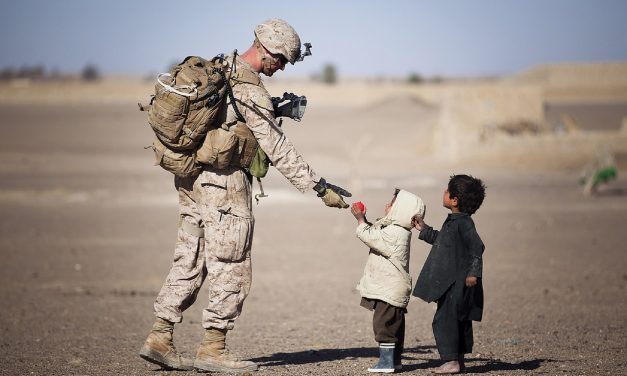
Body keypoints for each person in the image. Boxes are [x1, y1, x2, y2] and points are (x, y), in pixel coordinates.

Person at [139, 19, 351, 373]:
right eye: (281, 59)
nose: (281, 67)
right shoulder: (250, 89)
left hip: (192, 180)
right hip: (224, 186)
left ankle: (159, 337)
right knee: (231, 264)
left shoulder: (222, 67)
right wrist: (319, 186)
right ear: (265, 48)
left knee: (189, 256)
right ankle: (213, 349)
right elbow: (277, 147)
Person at [412, 174, 486, 374]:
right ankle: (458, 361)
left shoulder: (464, 224)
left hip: (457, 283)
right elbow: (443, 241)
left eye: (447, 191)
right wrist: (424, 229)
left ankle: (451, 361)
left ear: (454, 200)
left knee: (445, 320)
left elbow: (477, 247)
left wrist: (473, 273)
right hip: (451, 282)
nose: (443, 193)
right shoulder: (454, 221)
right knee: (457, 319)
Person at [350, 189, 426, 373]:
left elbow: (370, 236)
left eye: (392, 204)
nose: (387, 206)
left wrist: (360, 220)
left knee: (384, 325)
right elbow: (376, 232)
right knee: (394, 326)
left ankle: (386, 363)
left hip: (389, 289)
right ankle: (395, 361)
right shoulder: (395, 230)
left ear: (401, 210)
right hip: (391, 287)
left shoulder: (396, 233)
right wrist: (365, 220)